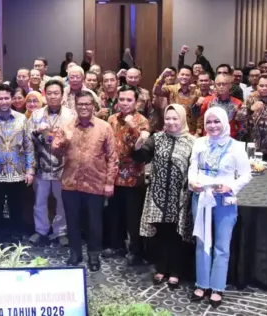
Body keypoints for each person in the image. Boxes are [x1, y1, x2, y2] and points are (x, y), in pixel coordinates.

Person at [188, 107, 252, 309]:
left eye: (217, 122)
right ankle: (202, 283)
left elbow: (245, 175)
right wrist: (192, 182)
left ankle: (217, 287)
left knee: (222, 245)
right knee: (201, 242)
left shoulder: (236, 147)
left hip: (224, 199)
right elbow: (193, 166)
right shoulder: (199, 143)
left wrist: (231, 186)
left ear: (225, 122)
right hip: (201, 197)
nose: (213, 126)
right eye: (209, 122)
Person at [51, 91, 117, 272]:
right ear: (75, 106)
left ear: (93, 106)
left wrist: (110, 182)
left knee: (94, 222)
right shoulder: (66, 127)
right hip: (70, 182)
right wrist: (62, 142)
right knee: (72, 221)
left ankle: (94, 255)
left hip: (96, 183)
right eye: (80, 104)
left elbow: (112, 157)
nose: (84, 107)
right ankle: (75, 253)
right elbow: (55, 152)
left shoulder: (104, 127)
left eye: (87, 104)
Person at [135, 104, 195, 289]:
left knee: (177, 235)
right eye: (168, 118)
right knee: (161, 234)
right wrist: (138, 144)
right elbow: (141, 156)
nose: (171, 122)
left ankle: (175, 271)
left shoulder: (192, 142)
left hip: (179, 197)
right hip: (158, 196)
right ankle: (161, 268)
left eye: (175, 118)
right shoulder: (157, 138)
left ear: (183, 119)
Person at [0, 83, 33, 243]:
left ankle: (16, 236)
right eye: (0, 98)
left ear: (11, 99)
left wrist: (30, 170)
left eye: (6, 98)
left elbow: (28, 146)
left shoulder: (22, 119)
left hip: (17, 173)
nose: (3, 101)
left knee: (17, 207)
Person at [26, 79, 73, 247]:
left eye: (56, 93)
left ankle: (61, 231)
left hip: (63, 167)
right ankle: (41, 230)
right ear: (45, 95)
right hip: (42, 166)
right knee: (39, 200)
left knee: (62, 201)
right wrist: (36, 131)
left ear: (62, 95)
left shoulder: (70, 115)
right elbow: (28, 139)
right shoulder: (36, 115)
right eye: (50, 93)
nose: (53, 96)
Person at [106, 85, 150, 265]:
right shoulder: (112, 119)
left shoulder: (142, 121)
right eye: (121, 99)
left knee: (133, 216)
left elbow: (142, 146)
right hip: (114, 174)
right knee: (115, 212)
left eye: (129, 100)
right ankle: (117, 245)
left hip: (133, 175)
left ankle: (135, 250)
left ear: (136, 102)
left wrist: (133, 126)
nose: (124, 103)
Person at [154, 66, 200, 134]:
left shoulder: (196, 92)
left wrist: (198, 131)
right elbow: (156, 91)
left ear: (191, 77)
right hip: (172, 128)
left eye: (187, 75)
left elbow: (198, 114)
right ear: (178, 75)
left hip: (190, 130)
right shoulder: (171, 89)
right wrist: (162, 76)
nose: (184, 77)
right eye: (182, 74)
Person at [197, 74, 243, 138]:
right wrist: (196, 105)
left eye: (224, 84)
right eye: (218, 84)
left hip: (229, 138)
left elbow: (241, 126)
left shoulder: (238, 103)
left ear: (230, 85)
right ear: (215, 85)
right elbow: (198, 117)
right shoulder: (207, 100)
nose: (221, 86)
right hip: (209, 137)